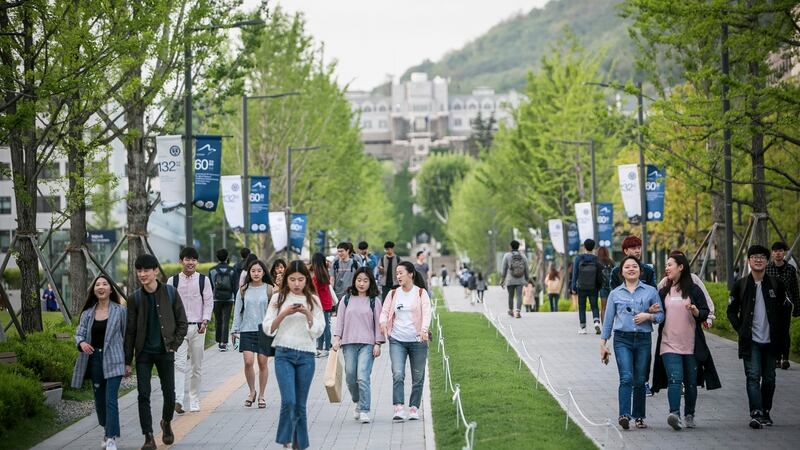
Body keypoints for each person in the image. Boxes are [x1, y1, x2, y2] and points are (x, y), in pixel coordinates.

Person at [124, 254, 188, 450]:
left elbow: (182, 322)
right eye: (139, 270)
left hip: (165, 351)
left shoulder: (170, 293)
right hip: (143, 353)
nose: (142, 274)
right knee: (143, 394)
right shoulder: (134, 298)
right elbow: (130, 331)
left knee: (170, 393)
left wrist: (174, 345)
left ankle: (166, 422)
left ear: (155, 272)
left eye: (146, 270)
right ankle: (148, 436)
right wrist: (128, 361)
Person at [651, 251, 720, 430]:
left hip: (691, 344)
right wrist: (651, 310)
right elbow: (657, 312)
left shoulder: (694, 288)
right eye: (666, 265)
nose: (667, 268)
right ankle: (674, 414)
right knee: (675, 378)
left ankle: (689, 414)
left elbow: (705, 310)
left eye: (670, 265)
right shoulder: (664, 288)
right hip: (668, 343)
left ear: (681, 267)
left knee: (690, 382)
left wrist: (697, 312)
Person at [727, 244, 792, 429]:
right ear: (748, 261)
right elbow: (731, 311)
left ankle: (766, 411)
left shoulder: (775, 284)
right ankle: (756, 412)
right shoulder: (741, 284)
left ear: (767, 260)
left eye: (762, 257)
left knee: (769, 378)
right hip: (751, 341)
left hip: (771, 341)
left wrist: (781, 331)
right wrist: (741, 329)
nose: (758, 260)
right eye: (754, 257)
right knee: (753, 376)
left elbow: (786, 308)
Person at [262, 260, 324, 450]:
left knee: (300, 405)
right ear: (286, 280)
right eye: (292, 279)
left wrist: (308, 314)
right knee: (289, 400)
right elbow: (267, 328)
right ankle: (285, 438)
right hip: (284, 354)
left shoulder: (313, 299)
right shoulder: (278, 298)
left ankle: (300, 445)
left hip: (306, 355)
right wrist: (284, 314)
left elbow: (319, 330)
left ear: (307, 279)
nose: (296, 284)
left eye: (300, 279)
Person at [599, 255, 663, 430]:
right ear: (621, 272)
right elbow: (608, 321)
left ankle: (640, 417)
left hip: (643, 340)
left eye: (634, 266)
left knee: (640, 379)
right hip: (622, 340)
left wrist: (648, 316)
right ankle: (624, 415)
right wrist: (603, 344)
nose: (631, 269)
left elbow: (660, 315)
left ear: (640, 270)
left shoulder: (650, 291)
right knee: (626, 377)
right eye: (627, 267)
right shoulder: (615, 294)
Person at [71, 275, 126, 450]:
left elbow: (126, 336)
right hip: (95, 360)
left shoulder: (120, 311)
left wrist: (128, 362)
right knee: (99, 401)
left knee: (111, 399)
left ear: (111, 289)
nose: (101, 287)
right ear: (94, 290)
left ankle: (111, 438)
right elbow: (79, 334)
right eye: (97, 285)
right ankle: (106, 429)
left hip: (115, 360)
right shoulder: (88, 313)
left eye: (104, 284)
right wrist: (81, 343)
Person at [380, 261, 432, 422]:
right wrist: (383, 323)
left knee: (418, 376)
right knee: (398, 374)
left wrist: (424, 330)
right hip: (397, 340)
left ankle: (414, 408)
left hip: (418, 341)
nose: (398, 276)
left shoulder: (421, 293)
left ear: (410, 274)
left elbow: (427, 313)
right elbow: (385, 311)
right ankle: (399, 408)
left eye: (401, 272)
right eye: (397, 273)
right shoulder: (393, 293)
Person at [332, 267, 384, 423]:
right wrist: (336, 338)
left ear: (371, 282)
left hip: (367, 344)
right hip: (348, 344)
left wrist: (378, 343)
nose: (362, 283)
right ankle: (357, 401)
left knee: (362, 376)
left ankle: (364, 409)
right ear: (354, 281)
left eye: (366, 280)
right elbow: (340, 321)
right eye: (359, 280)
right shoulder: (346, 300)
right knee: (350, 377)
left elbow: (379, 324)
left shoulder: (375, 301)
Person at [167, 247, 213, 415]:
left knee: (196, 366)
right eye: (187, 259)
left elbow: (208, 302)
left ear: (197, 262)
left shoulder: (203, 280)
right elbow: (168, 305)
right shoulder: (173, 281)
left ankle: (194, 399)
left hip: (198, 328)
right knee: (178, 364)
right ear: (181, 261)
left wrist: (205, 320)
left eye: (193, 259)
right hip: (179, 330)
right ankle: (178, 399)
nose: (190, 262)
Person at [231, 259, 274, 408]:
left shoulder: (270, 289)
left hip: (264, 330)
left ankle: (262, 395)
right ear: (249, 272)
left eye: (259, 271)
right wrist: (234, 330)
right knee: (248, 362)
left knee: (263, 363)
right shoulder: (243, 290)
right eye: (253, 271)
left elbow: (275, 310)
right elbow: (237, 311)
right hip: (246, 329)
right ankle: (251, 391)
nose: (256, 273)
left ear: (264, 272)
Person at [765, 241, 800, 370]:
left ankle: (785, 358)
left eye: (780, 251)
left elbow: (795, 289)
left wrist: (797, 307)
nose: (777, 253)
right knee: (773, 332)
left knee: (784, 332)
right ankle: (776, 358)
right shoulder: (767, 268)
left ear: (784, 253)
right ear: (772, 253)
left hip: (786, 304)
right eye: (775, 251)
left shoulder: (790, 269)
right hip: (771, 305)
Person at [571, 239, 604, 334]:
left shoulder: (578, 258)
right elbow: (599, 274)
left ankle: (583, 327)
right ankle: (596, 322)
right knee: (594, 306)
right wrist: (599, 285)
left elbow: (575, 274)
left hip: (581, 286)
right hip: (593, 286)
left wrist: (573, 286)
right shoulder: (596, 258)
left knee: (582, 306)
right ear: (593, 247)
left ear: (584, 247)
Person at [209, 249, 237, 351]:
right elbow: (235, 286)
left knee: (218, 320)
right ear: (227, 257)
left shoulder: (212, 270)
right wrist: (236, 299)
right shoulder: (232, 270)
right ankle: (224, 343)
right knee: (226, 320)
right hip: (229, 298)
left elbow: (211, 286)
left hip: (216, 299)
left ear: (217, 257)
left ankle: (218, 341)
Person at [312, 252, 337, 358]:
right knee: (325, 326)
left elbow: (316, 292)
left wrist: (316, 305)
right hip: (326, 304)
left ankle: (323, 348)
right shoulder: (325, 273)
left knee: (322, 327)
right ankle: (323, 348)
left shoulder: (316, 276)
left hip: (320, 305)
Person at [500, 240, 529, 318]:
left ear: (511, 246)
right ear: (518, 247)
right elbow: (526, 268)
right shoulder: (523, 256)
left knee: (511, 295)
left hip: (510, 279)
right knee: (519, 295)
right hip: (520, 279)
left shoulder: (507, 256)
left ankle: (510, 310)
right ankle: (518, 312)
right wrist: (527, 279)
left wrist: (502, 280)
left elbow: (503, 269)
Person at [597, 247, 614, 323]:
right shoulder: (611, 262)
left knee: (603, 308)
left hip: (602, 287)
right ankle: (610, 325)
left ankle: (604, 328)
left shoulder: (597, 262)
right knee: (611, 307)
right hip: (611, 286)